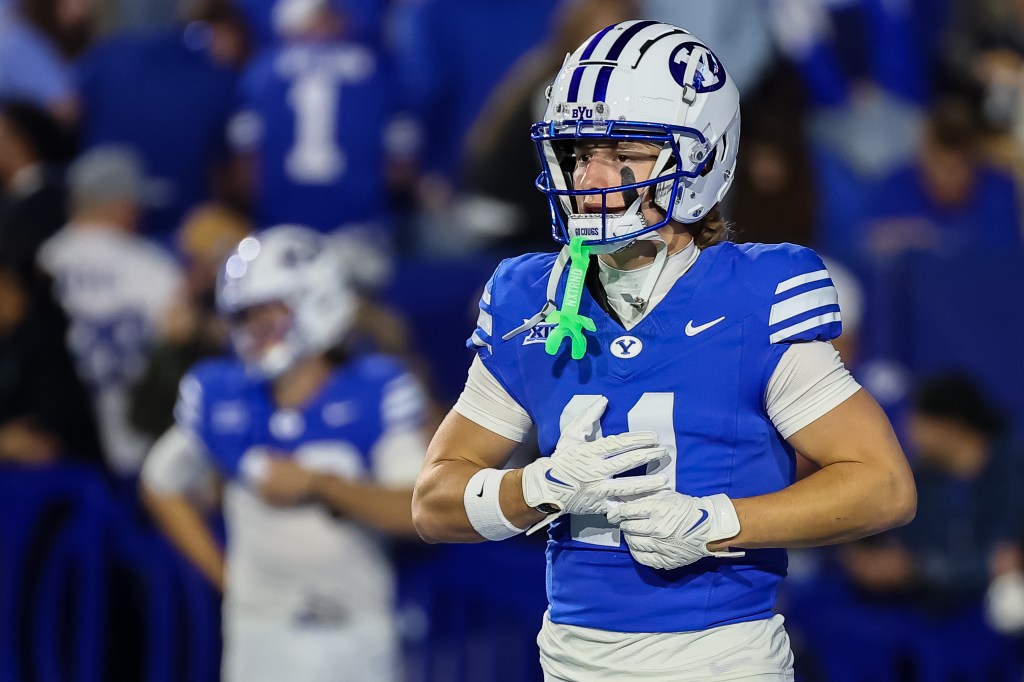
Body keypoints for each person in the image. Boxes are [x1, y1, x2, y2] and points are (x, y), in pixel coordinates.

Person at [412, 21, 917, 681]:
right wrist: (534, 486)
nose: (591, 176)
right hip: (568, 661)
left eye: (624, 151)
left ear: (702, 157)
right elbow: (433, 501)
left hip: (720, 660)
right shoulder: (532, 297)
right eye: (579, 151)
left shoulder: (752, 294)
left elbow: (883, 485)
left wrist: (715, 521)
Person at [140, 225, 428, 682]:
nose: (252, 332)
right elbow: (159, 483)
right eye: (243, 318)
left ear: (315, 300)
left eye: (266, 315)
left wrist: (321, 484)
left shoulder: (375, 388)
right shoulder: (222, 393)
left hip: (356, 624)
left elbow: (417, 511)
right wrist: (228, 579)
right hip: (258, 628)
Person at [37, 145, 182, 478]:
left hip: (52, 453)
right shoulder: (154, 267)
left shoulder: (40, 262)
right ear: (122, 205)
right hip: (139, 453)